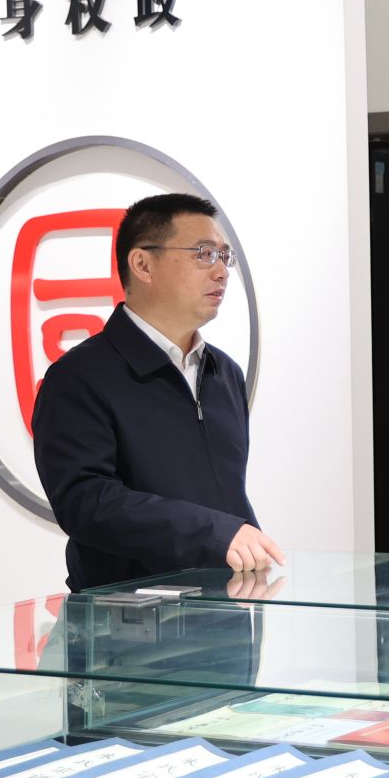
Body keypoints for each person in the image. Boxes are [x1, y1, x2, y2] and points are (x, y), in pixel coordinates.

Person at [33, 193, 281, 593]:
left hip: (228, 609)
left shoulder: (224, 373)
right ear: (142, 264)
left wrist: (251, 556)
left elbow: (228, 497)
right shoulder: (78, 377)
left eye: (224, 256)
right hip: (128, 619)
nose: (221, 271)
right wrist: (216, 533)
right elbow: (85, 503)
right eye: (204, 253)